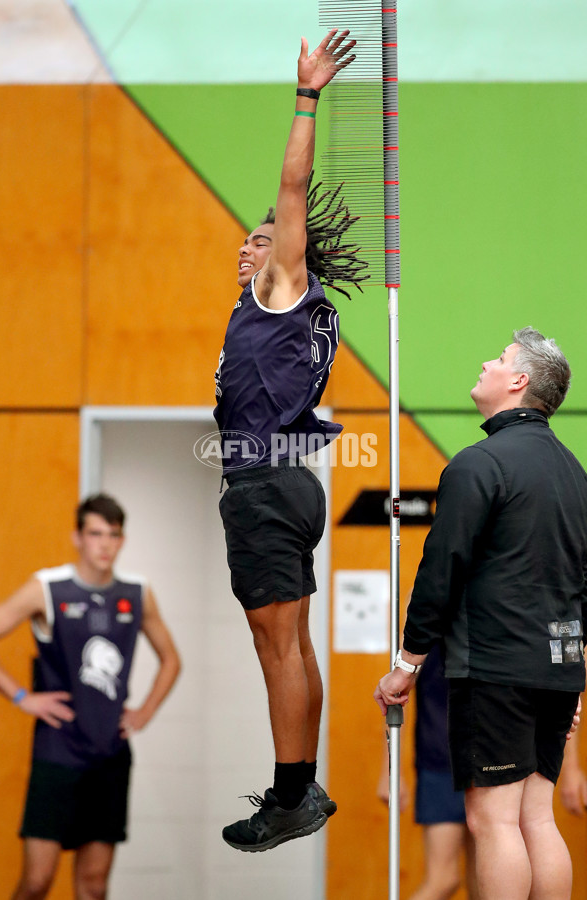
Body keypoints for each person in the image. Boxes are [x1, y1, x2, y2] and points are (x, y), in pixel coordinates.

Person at [213, 29, 367, 852]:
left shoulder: (281, 290)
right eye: (246, 239)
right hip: (289, 482)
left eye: (263, 238)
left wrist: (307, 95)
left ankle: (290, 797)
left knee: (277, 649)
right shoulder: (281, 318)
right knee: (291, 644)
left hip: (267, 485)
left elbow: (292, 185)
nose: (250, 244)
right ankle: (298, 787)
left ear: (290, 256)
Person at [374, 327, 587, 900]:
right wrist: (574, 679)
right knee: (536, 819)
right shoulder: (575, 474)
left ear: (518, 382)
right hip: (556, 669)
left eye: (498, 358)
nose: (485, 363)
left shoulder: (478, 465)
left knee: (493, 821)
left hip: (496, 670)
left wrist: (407, 663)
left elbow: (440, 571)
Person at [0, 493, 181, 900]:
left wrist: (144, 712)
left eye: (113, 534)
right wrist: (22, 696)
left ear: (122, 540)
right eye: (95, 534)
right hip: (57, 751)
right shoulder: (48, 588)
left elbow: (171, 661)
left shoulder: (138, 592)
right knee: (38, 881)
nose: (104, 544)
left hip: (109, 752)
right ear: (77, 537)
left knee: (93, 886)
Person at [377, 644, 477, 900]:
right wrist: (390, 770)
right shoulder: (426, 613)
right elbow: (395, 693)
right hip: (441, 764)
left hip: (490, 762)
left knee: (485, 883)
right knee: (444, 879)